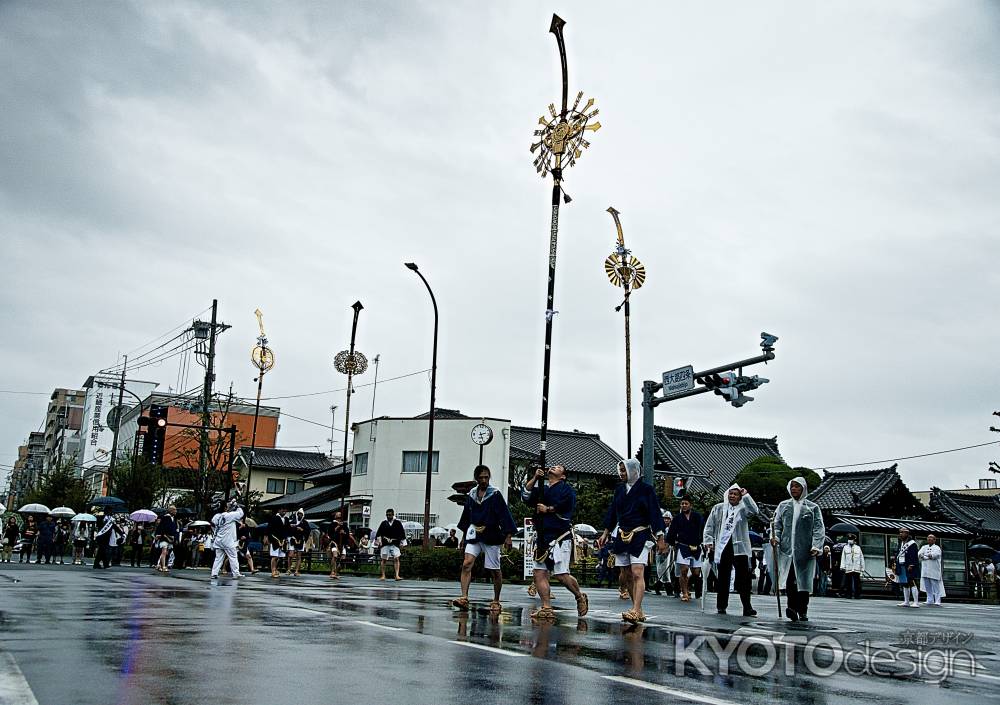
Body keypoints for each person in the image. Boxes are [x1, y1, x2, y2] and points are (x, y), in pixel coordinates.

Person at [596, 459, 667, 624]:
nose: (621, 473)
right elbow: (613, 512)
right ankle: (637, 608)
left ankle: (635, 609)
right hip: (622, 534)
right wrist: (605, 533)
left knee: (637, 571)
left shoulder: (646, 490)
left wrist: (660, 537)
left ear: (634, 471)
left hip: (640, 534)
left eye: (624, 470)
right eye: (620, 470)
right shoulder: (619, 490)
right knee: (626, 574)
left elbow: (654, 513)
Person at [523, 464, 589, 621]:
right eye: (552, 466)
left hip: (559, 535)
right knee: (539, 572)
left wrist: (549, 509)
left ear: (563, 476)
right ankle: (546, 607)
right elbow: (526, 497)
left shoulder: (566, 490)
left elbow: (567, 505)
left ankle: (579, 596)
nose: (553, 467)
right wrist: (534, 478)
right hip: (543, 536)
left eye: (558, 467)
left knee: (561, 575)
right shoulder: (542, 488)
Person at [452, 465, 517, 612]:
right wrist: (463, 537)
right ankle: (464, 597)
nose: (484, 480)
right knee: (467, 563)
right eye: (481, 477)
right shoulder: (472, 495)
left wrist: (508, 536)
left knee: (494, 570)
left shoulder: (494, 494)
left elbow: (504, 515)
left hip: (492, 535)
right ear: (476, 479)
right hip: (474, 534)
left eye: (486, 477)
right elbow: (467, 517)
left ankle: (496, 599)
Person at [772, 477, 825, 622]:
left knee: (803, 582)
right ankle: (791, 608)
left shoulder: (812, 507)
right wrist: (775, 537)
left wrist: (816, 545)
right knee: (790, 580)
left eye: (797, 486)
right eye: (792, 486)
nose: (794, 489)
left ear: (803, 489)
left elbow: (818, 528)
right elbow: (776, 525)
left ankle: (802, 610)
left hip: (805, 551)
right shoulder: (783, 506)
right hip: (787, 551)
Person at [704, 483, 760, 617]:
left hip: (740, 548)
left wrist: (746, 496)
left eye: (735, 494)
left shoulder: (743, 509)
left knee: (743, 578)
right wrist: (708, 541)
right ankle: (721, 605)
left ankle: (747, 607)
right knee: (723, 577)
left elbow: (755, 511)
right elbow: (709, 525)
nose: (732, 496)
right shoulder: (719, 508)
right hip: (723, 547)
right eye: (731, 493)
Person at [666, 496, 704, 603]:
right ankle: (685, 592)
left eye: (686, 504)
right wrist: (673, 543)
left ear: (690, 505)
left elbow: (703, 530)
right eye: (682, 504)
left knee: (696, 572)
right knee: (684, 570)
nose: (684, 506)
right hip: (683, 546)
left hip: (696, 546)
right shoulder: (677, 518)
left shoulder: (698, 517)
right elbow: (671, 533)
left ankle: (689, 587)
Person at [210, 499, 245, 580]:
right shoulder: (230, 515)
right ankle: (236, 573)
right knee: (233, 556)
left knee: (218, 558)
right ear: (225, 508)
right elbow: (241, 513)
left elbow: (212, 524)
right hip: (228, 540)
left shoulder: (216, 516)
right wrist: (237, 505)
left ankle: (214, 573)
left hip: (219, 540)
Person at [892, 528, 921, 608]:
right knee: (904, 583)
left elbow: (914, 555)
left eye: (902, 532)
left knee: (912, 583)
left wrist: (911, 565)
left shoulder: (912, 543)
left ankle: (916, 602)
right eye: (900, 532)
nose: (900, 534)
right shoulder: (901, 543)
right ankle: (906, 601)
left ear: (907, 534)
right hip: (901, 565)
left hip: (909, 565)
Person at [375, 508, 405, 580]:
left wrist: (401, 542)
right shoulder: (383, 523)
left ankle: (397, 575)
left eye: (390, 515)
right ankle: (383, 575)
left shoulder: (397, 523)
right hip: (385, 544)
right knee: (384, 559)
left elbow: (402, 533)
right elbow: (379, 533)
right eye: (387, 515)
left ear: (393, 515)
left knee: (396, 558)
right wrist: (380, 541)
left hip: (395, 543)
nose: (388, 516)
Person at [918, 534, 945, 606]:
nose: (929, 539)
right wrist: (926, 556)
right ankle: (929, 599)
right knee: (927, 585)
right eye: (928, 538)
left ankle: (938, 600)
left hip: (934, 569)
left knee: (935, 585)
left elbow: (935, 555)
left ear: (934, 540)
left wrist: (925, 556)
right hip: (925, 569)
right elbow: (919, 554)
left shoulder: (937, 547)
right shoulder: (924, 547)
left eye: (931, 538)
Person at [840, 534, 865, 599]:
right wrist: (842, 566)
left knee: (857, 582)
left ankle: (857, 594)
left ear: (854, 540)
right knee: (848, 582)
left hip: (857, 567)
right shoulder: (845, 547)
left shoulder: (858, 548)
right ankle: (849, 594)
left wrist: (862, 568)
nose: (850, 541)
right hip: (848, 567)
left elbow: (861, 558)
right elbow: (843, 558)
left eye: (851, 540)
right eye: (849, 539)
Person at [155, 506, 178, 573]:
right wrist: (161, 535)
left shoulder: (173, 519)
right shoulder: (165, 518)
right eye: (174, 510)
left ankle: (159, 565)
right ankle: (163, 566)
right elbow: (161, 527)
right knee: (164, 551)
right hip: (164, 536)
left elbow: (174, 529)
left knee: (167, 552)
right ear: (171, 511)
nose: (176, 511)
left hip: (171, 538)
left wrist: (174, 537)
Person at [268, 509, 289, 578]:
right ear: (279, 510)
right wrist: (268, 537)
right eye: (283, 510)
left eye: (285, 511)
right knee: (275, 556)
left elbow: (287, 529)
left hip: (283, 539)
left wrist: (286, 538)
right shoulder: (274, 518)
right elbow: (269, 528)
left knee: (280, 556)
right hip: (275, 538)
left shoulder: (286, 519)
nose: (284, 512)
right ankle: (273, 571)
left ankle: (275, 569)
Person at [286, 509, 307, 577]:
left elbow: (307, 531)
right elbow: (288, 529)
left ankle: (296, 571)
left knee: (299, 555)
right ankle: (289, 569)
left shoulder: (304, 522)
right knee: (290, 555)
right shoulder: (292, 521)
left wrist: (302, 529)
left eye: (301, 514)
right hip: (293, 539)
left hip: (300, 540)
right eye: (298, 514)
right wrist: (293, 527)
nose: (299, 515)